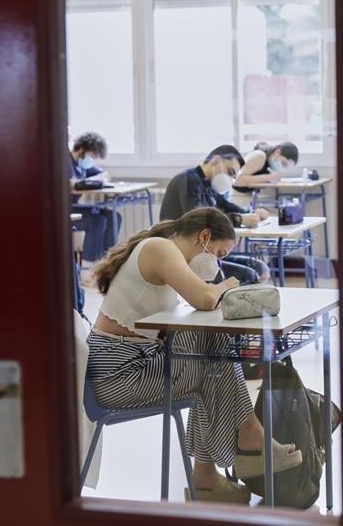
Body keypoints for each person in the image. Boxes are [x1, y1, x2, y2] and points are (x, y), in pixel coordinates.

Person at [86, 208, 302, 503]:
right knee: (210, 352)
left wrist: (215, 290)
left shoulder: (162, 247)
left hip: (130, 363)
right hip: (119, 374)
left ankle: (212, 472)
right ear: (203, 237)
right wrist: (227, 284)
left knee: (211, 357)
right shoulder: (161, 248)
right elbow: (202, 299)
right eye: (219, 253)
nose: (219, 262)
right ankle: (238, 445)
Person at [159, 145, 273, 284]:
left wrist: (253, 213)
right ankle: (224, 303)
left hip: (205, 251)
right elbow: (201, 221)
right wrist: (239, 219)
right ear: (216, 161)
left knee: (260, 267)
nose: (230, 179)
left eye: (233, 176)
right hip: (185, 254)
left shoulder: (208, 184)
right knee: (249, 275)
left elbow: (226, 205)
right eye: (230, 172)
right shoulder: (188, 180)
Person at [70, 132, 121, 263]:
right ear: (81, 148)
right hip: (65, 211)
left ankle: (108, 263)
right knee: (97, 221)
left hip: (77, 208)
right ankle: (89, 267)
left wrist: (92, 180)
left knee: (114, 217)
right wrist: (86, 182)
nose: (92, 160)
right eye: (92, 155)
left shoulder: (82, 166)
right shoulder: (65, 161)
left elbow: (105, 175)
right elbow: (70, 185)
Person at [233, 141, 301, 194]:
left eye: (285, 168)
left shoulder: (268, 164)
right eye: (283, 164)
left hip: (248, 197)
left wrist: (270, 179)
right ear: (278, 152)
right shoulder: (260, 156)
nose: (281, 169)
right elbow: (238, 181)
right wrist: (269, 177)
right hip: (237, 197)